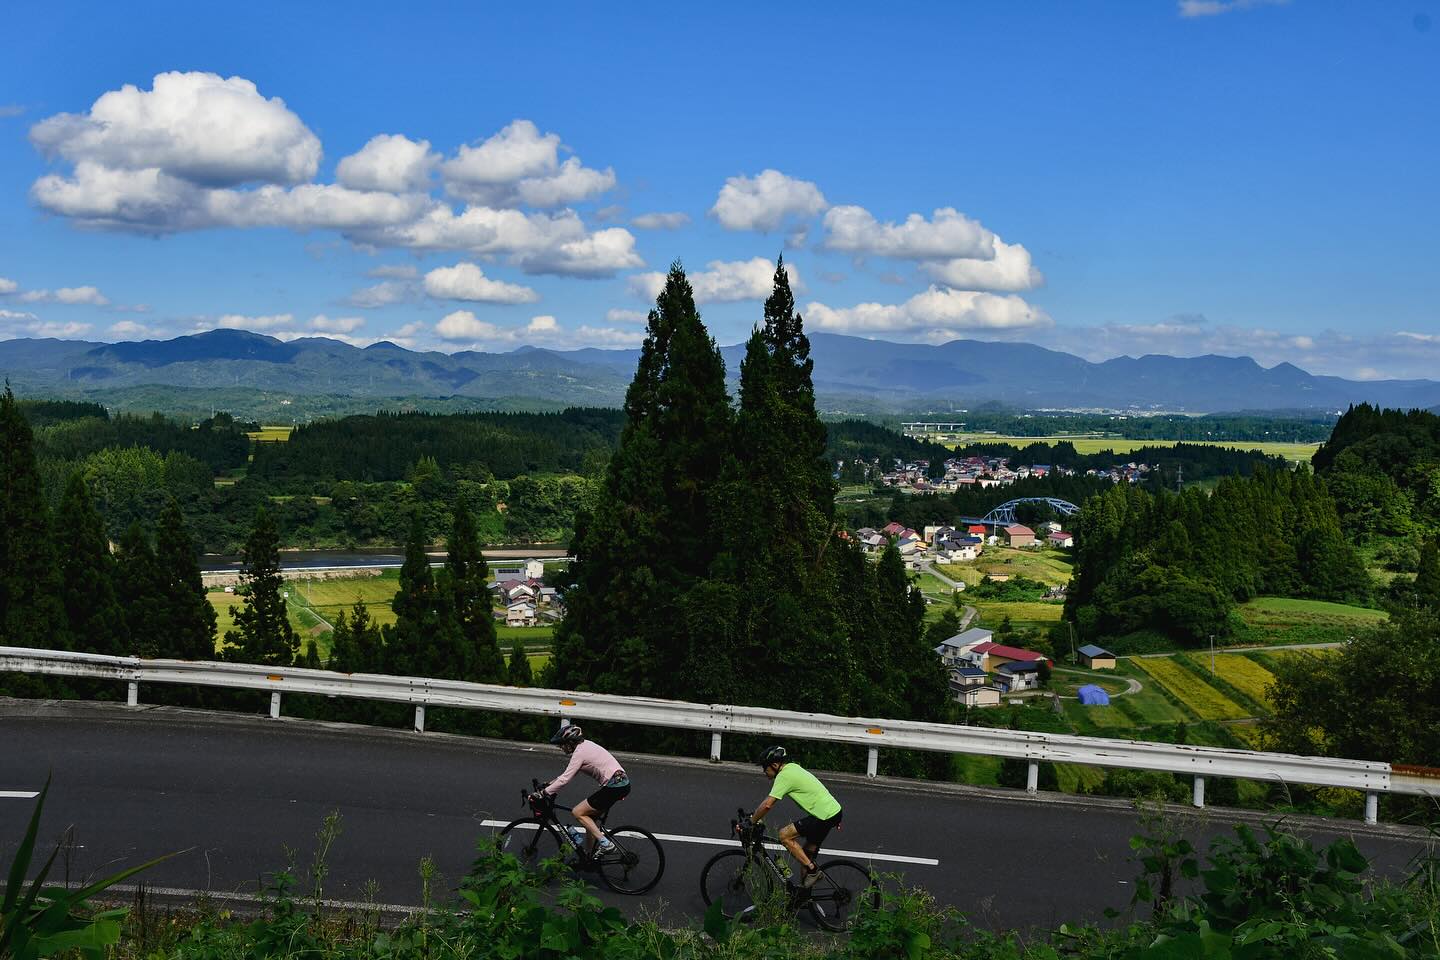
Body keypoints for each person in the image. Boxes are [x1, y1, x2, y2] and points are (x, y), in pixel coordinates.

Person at [746, 746, 843, 888]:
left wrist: (751, 821)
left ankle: (813, 870)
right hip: (833, 812)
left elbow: (768, 804)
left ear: (774, 765)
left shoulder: (784, 776)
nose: (764, 771)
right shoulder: (792, 767)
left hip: (823, 815)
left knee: (784, 835)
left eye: (764, 767)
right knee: (806, 855)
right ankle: (803, 895)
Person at [531, 721, 631, 857]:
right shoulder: (586, 746)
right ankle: (588, 856)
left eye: (562, 744)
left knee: (578, 812)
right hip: (620, 785)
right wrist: (549, 784)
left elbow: (565, 779)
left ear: (571, 742)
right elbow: (567, 775)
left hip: (613, 787)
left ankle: (606, 844)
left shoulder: (580, 753)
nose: (561, 747)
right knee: (589, 819)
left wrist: (543, 793)